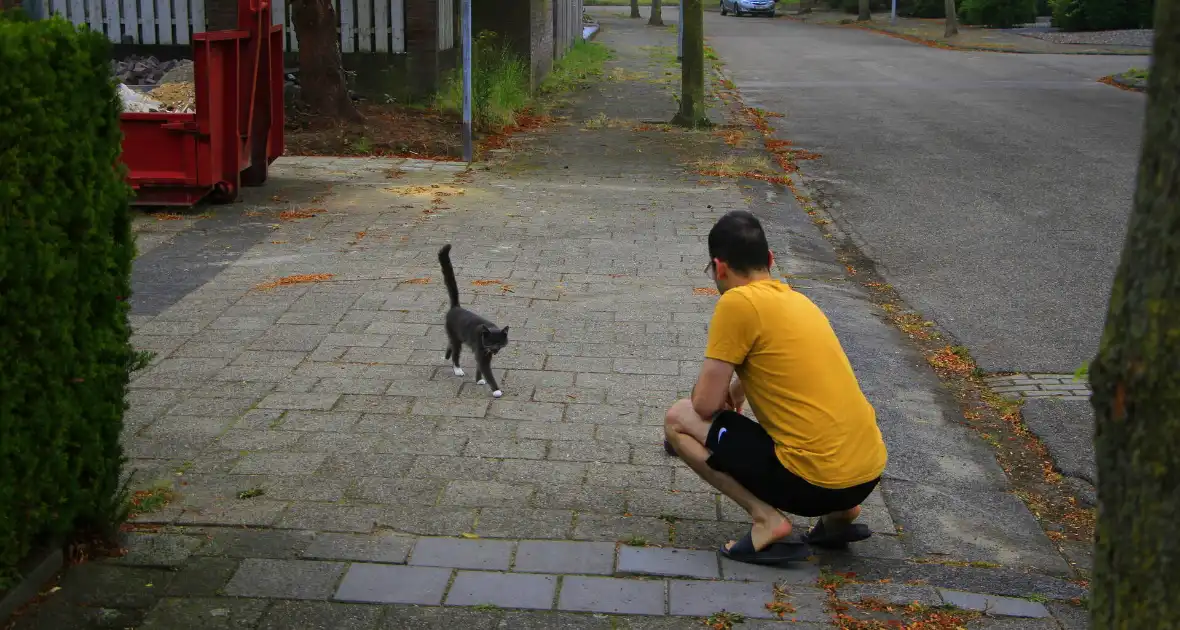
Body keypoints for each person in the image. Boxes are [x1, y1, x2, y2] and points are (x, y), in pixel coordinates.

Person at [663, 210, 888, 565]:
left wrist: (711, 386)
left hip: (813, 486)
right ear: (769, 259)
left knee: (678, 418)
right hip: (865, 476)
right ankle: (841, 516)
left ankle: (767, 521)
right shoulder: (798, 301)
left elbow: (704, 406)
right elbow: (781, 370)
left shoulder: (737, 303)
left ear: (719, 268)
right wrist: (737, 390)